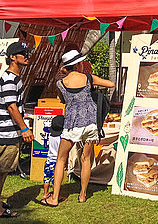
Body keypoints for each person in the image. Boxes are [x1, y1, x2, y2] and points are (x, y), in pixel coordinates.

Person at [43, 49, 115, 207]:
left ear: (66, 67)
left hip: (72, 124)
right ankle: (82, 195)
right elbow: (111, 84)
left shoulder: (60, 83)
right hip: (90, 124)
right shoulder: (88, 78)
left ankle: (54, 198)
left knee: (61, 159)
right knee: (86, 159)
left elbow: (62, 101)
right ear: (77, 64)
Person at [0, 42, 34, 218]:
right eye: (22, 53)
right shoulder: (9, 79)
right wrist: (24, 128)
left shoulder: (14, 77)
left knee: (4, 169)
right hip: (4, 132)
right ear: (13, 57)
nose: (27, 55)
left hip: (8, 131)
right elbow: (12, 107)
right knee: (0, 170)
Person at [42, 115, 64, 201]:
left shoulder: (51, 136)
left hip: (48, 160)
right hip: (56, 161)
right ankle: (56, 195)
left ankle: (45, 193)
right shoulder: (61, 138)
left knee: (46, 178)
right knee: (55, 181)